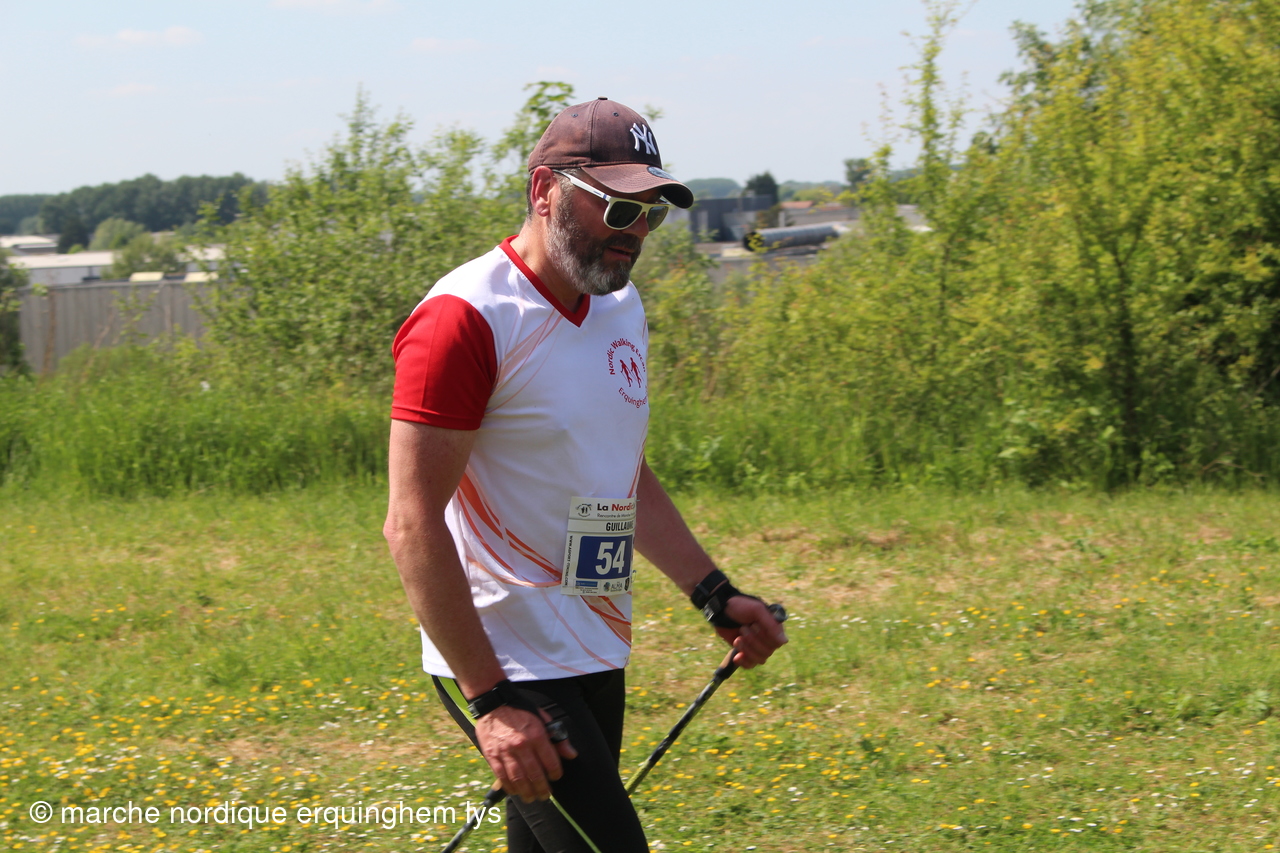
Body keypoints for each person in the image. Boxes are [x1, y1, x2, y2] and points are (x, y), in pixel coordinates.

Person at [383, 97, 788, 853]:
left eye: (650, 214)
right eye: (617, 208)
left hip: (594, 643)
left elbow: (619, 470)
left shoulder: (618, 306)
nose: (634, 232)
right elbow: (411, 523)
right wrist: (491, 700)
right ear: (545, 191)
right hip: (508, 659)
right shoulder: (465, 318)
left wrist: (713, 592)